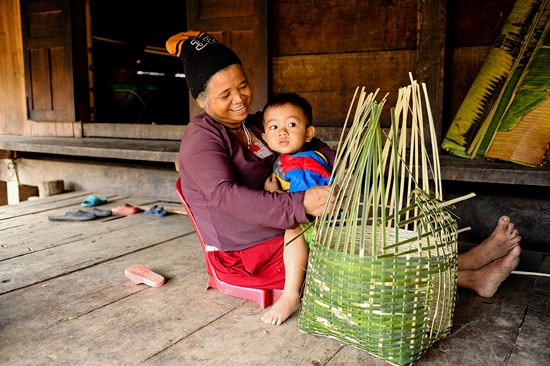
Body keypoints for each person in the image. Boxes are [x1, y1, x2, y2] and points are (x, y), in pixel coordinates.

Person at [165, 31, 522, 326]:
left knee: (368, 228)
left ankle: (469, 268)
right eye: (224, 94)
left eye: (242, 85)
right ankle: (470, 272)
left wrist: (342, 166)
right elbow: (225, 196)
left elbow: (304, 141)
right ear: (200, 100)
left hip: (283, 227)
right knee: (354, 249)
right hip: (247, 252)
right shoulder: (203, 137)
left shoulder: (255, 124)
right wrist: (300, 203)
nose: (239, 98)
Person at [261, 92, 332, 251]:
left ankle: (295, 277)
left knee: (292, 234)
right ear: (265, 138)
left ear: (308, 134)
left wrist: (275, 192)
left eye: (291, 124)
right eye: (274, 126)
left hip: (316, 228)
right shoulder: (291, 159)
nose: (282, 132)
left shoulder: (301, 165)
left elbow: (302, 202)